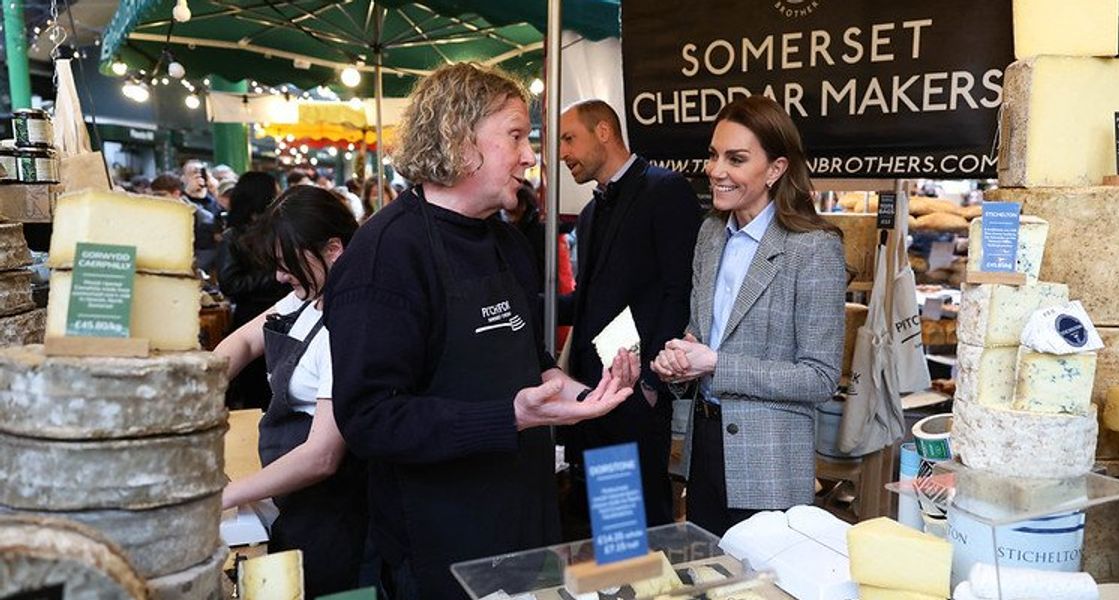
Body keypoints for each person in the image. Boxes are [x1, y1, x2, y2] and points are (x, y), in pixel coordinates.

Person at [324, 62, 639, 600]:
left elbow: (529, 361)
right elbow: (368, 418)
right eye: (515, 136)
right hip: (443, 546)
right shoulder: (385, 256)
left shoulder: (503, 240)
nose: (531, 156)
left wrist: (584, 394)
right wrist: (512, 415)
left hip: (527, 523)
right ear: (459, 138)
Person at [652, 95, 845, 537]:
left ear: (775, 169)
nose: (717, 170)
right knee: (709, 577)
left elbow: (819, 377)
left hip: (770, 467)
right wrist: (679, 361)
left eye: (736, 159)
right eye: (714, 155)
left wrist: (715, 364)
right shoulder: (710, 234)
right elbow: (702, 335)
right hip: (703, 452)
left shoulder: (813, 248)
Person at [214, 185, 367, 596]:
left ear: (333, 249)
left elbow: (322, 457)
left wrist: (225, 496)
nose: (281, 276)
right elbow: (244, 343)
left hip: (334, 515)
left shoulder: (349, 324)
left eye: (287, 264)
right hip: (294, 502)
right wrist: (192, 392)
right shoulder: (305, 298)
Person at [557, 98, 701, 531]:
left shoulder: (664, 189)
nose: (562, 152)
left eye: (569, 138)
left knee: (638, 522)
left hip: (636, 392)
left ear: (604, 131)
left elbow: (681, 289)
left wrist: (654, 382)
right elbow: (590, 299)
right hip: (589, 391)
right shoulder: (588, 211)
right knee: (599, 524)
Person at [217, 171, 291, 410]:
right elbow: (230, 284)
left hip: (283, 318)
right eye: (275, 190)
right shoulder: (233, 237)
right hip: (250, 317)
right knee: (256, 394)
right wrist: (275, 278)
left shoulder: (275, 231)